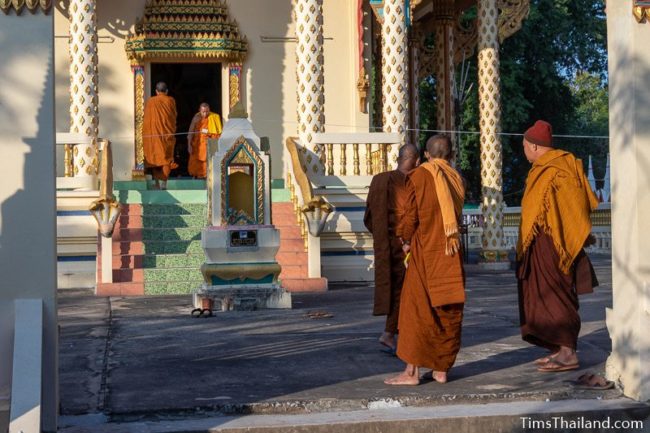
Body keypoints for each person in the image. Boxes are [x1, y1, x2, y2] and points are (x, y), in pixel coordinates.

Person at [516, 120, 599, 372]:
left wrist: (565, 238)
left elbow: (573, 207)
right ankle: (557, 348)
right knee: (542, 296)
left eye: (524, 146)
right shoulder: (541, 169)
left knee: (557, 295)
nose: (524, 150)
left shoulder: (559, 168)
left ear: (533, 146)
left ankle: (568, 353)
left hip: (555, 245)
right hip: (541, 243)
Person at [384, 134, 466, 385]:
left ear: (427, 156)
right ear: (450, 155)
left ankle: (411, 372)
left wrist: (405, 239)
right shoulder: (456, 178)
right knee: (448, 308)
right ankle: (441, 370)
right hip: (451, 253)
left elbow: (410, 216)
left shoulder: (419, 176)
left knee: (415, 310)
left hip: (425, 252)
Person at [364, 144, 420, 355]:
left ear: (398, 159)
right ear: (415, 161)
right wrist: (406, 240)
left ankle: (391, 333)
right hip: (408, 246)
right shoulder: (415, 181)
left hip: (386, 245)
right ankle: (393, 334)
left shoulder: (379, 180)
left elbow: (368, 218)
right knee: (407, 292)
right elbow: (416, 216)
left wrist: (383, 236)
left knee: (398, 290)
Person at [143, 81, 177, 190]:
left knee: (155, 158)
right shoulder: (170, 100)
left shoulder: (150, 101)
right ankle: (163, 184)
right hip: (167, 134)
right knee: (165, 158)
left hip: (153, 135)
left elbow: (146, 119)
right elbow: (174, 116)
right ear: (166, 91)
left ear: (156, 91)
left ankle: (157, 183)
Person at [187, 102, 222, 179]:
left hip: (209, 143)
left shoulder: (214, 117)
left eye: (207, 111)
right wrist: (189, 145)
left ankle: (207, 175)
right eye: (203, 112)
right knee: (196, 160)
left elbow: (218, 133)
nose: (205, 114)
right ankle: (197, 175)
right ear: (199, 110)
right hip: (197, 144)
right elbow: (190, 132)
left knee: (208, 159)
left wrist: (208, 132)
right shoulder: (196, 118)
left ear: (209, 110)